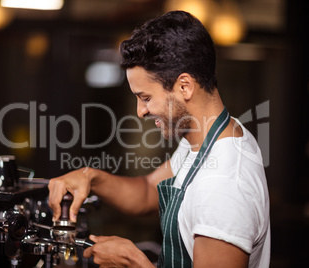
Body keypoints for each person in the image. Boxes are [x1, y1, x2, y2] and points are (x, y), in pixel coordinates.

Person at [48, 10, 270, 268]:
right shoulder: (205, 139)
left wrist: (135, 264)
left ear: (184, 86)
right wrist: (90, 177)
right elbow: (146, 193)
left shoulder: (224, 185)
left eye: (145, 97)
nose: (140, 111)